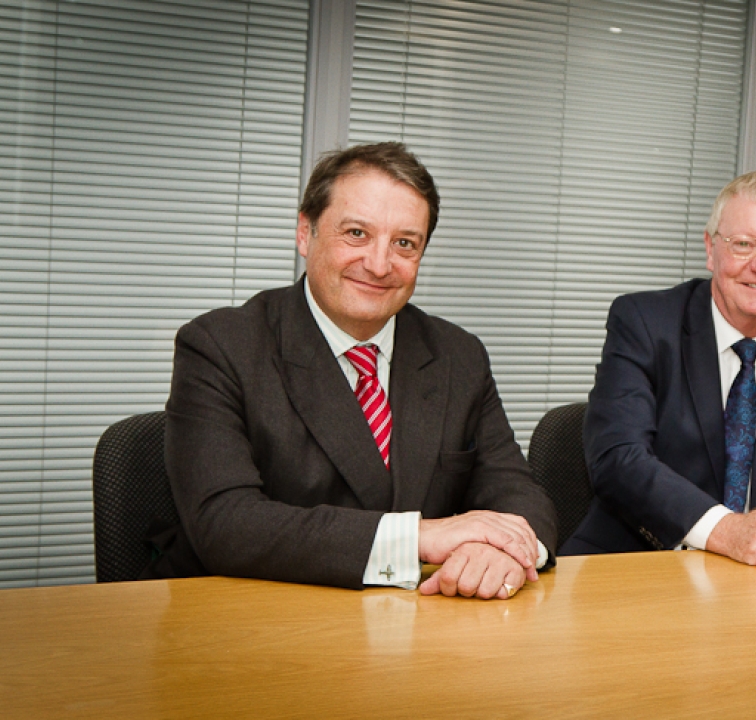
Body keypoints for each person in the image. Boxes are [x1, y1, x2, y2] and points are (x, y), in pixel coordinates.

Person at [147, 142, 556, 598]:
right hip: (251, 623)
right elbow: (225, 523)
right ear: (306, 233)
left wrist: (504, 551)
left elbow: (519, 494)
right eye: (357, 233)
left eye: (404, 243)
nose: (380, 265)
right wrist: (420, 536)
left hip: (419, 629)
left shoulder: (458, 355)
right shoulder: (222, 346)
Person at [561, 171, 756, 567]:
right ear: (711, 250)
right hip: (634, 565)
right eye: (744, 244)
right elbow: (618, 458)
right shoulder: (644, 322)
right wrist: (727, 531)